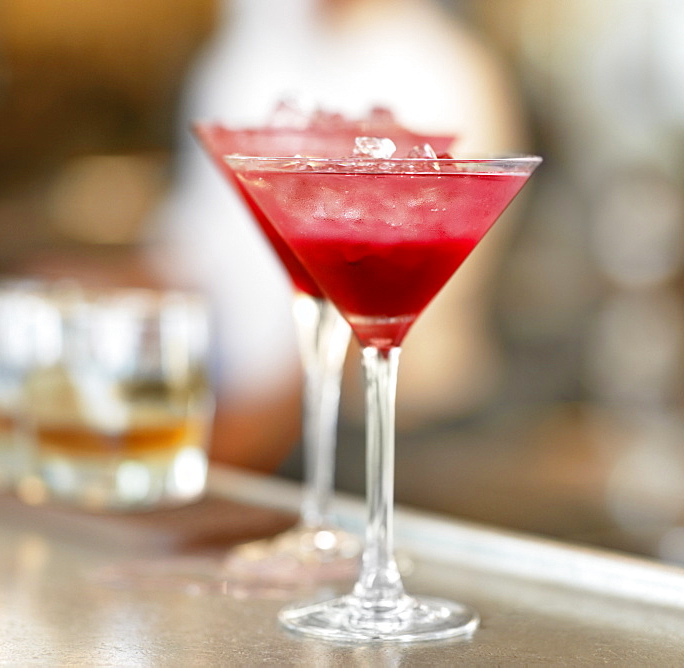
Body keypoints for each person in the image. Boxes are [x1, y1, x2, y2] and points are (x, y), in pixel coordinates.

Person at [148, 0, 527, 471]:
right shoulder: (252, 38)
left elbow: (385, 282)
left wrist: (261, 428)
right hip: (232, 402)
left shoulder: (445, 67)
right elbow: (196, 235)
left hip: (386, 426)